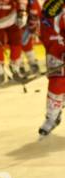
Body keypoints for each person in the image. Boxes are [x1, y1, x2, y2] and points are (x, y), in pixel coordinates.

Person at [38, 0, 65, 136]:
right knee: (56, 84)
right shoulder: (50, 5)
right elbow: (46, 33)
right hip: (56, 52)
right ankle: (52, 117)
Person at [21, 0, 41, 75]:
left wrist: (32, 25)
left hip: (27, 26)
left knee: (26, 45)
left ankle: (33, 66)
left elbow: (35, 10)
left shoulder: (32, 2)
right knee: (17, 46)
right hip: (17, 26)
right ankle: (19, 67)